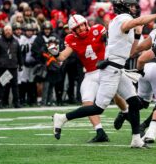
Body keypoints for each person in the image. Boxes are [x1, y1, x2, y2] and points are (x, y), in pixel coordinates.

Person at [52, 0, 156, 148]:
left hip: (118, 68)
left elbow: (131, 52)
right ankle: (62, 118)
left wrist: (137, 35)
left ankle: (136, 139)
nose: (134, 8)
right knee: (98, 108)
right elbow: (136, 21)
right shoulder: (123, 19)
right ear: (124, 6)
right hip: (111, 69)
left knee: (134, 102)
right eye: (131, 5)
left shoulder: (121, 21)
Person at [48, 14, 128, 142]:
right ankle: (100, 132)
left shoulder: (97, 29)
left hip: (105, 70)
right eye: (77, 28)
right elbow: (62, 57)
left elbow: (111, 39)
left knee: (116, 95)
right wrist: (55, 54)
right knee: (87, 102)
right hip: (90, 73)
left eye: (82, 25)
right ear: (73, 31)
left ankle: (125, 112)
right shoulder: (70, 39)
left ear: (86, 23)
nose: (81, 29)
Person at [0, 25, 23, 108]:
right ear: (3, 32)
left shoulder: (15, 41)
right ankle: (0, 102)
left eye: (9, 30)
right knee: (1, 85)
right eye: (6, 30)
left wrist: (21, 64)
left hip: (13, 67)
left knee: (15, 86)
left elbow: (19, 54)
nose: (8, 32)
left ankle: (16, 103)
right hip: (3, 67)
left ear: (12, 32)